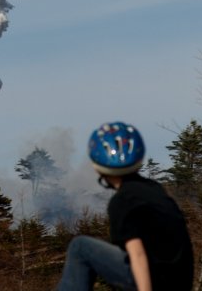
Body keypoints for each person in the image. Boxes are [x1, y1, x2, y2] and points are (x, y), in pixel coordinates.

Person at [57, 121, 194, 291]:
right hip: (179, 281)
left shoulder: (122, 201)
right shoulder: (154, 189)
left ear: (97, 167)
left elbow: (137, 254)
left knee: (80, 247)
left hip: (154, 281)